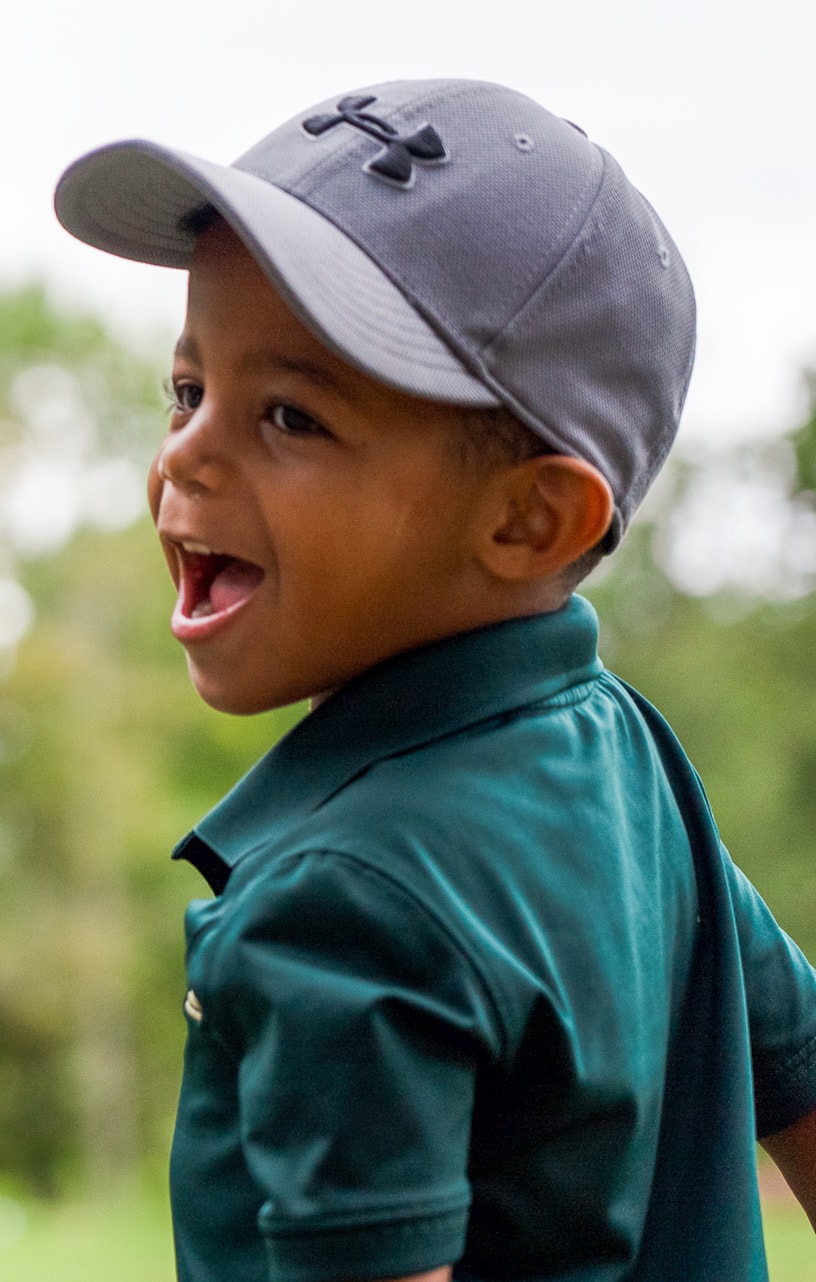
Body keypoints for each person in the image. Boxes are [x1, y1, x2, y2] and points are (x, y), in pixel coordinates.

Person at [53, 79, 816, 1281]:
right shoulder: (629, 767)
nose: (185, 453)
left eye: (291, 416)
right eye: (190, 391)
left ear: (528, 520)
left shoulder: (339, 904)